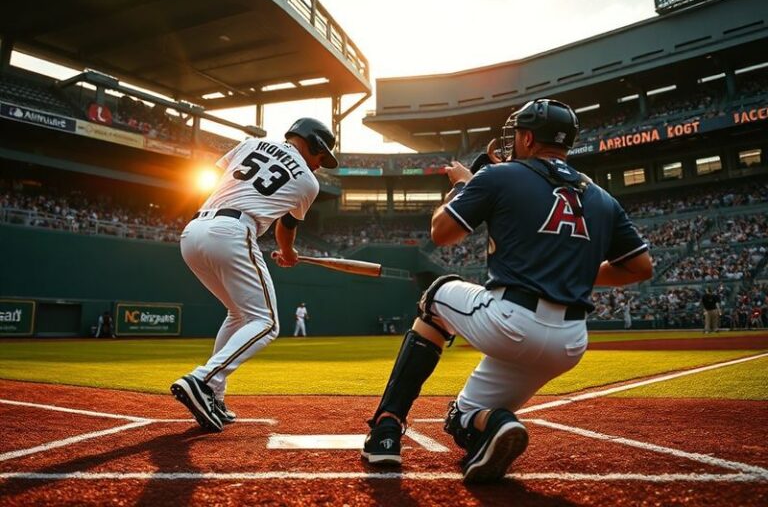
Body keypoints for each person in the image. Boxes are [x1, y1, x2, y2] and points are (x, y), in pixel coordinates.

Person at [361, 99, 652, 483]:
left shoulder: (501, 176)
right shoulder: (602, 197)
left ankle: (385, 428)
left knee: (435, 296)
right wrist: (575, 271)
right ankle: (495, 423)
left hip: (512, 322)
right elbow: (640, 267)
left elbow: (441, 232)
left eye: (517, 133)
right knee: (462, 419)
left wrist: (465, 185)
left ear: (528, 137)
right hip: (569, 343)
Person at [171, 117, 338, 432]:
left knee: (238, 313)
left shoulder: (249, 143)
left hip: (193, 232)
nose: (319, 165)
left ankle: (214, 397)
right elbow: (286, 226)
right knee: (267, 323)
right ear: (313, 143)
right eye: (321, 156)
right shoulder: (307, 182)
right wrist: (288, 256)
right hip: (233, 231)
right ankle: (203, 380)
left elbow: (223, 181)